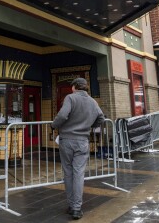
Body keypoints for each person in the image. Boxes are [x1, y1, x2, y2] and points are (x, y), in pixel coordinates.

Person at [51, 77, 105, 220]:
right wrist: (89, 126)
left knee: (68, 173)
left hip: (67, 140)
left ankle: (71, 205)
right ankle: (77, 208)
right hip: (83, 141)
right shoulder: (93, 101)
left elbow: (62, 115)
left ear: (75, 87)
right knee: (79, 173)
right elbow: (101, 119)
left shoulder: (70, 98)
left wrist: (54, 125)